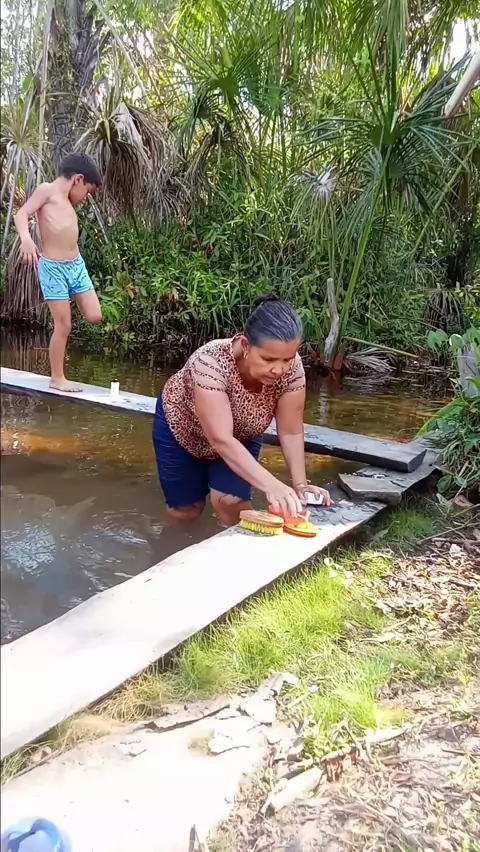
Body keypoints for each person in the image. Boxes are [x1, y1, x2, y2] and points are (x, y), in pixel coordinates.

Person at [153, 294, 332, 526]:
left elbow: (290, 431)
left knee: (232, 502)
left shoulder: (292, 368)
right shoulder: (210, 363)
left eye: (287, 359)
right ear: (246, 346)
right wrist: (272, 485)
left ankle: (237, 546)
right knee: (186, 511)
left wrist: (300, 485)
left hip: (242, 433)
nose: (279, 369)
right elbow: (221, 439)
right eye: (268, 359)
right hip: (182, 429)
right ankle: (173, 546)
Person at [14, 153, 103, 393]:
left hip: (76, 266)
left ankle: (67, 297)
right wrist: (26, 239)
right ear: (78, 179)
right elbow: (21, 214)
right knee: (63, 325)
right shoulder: (47, 191)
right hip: (53, 269)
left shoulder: (68, 200)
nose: (85, 198)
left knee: (95, 315)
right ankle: (57, 378)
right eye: (87, 192)